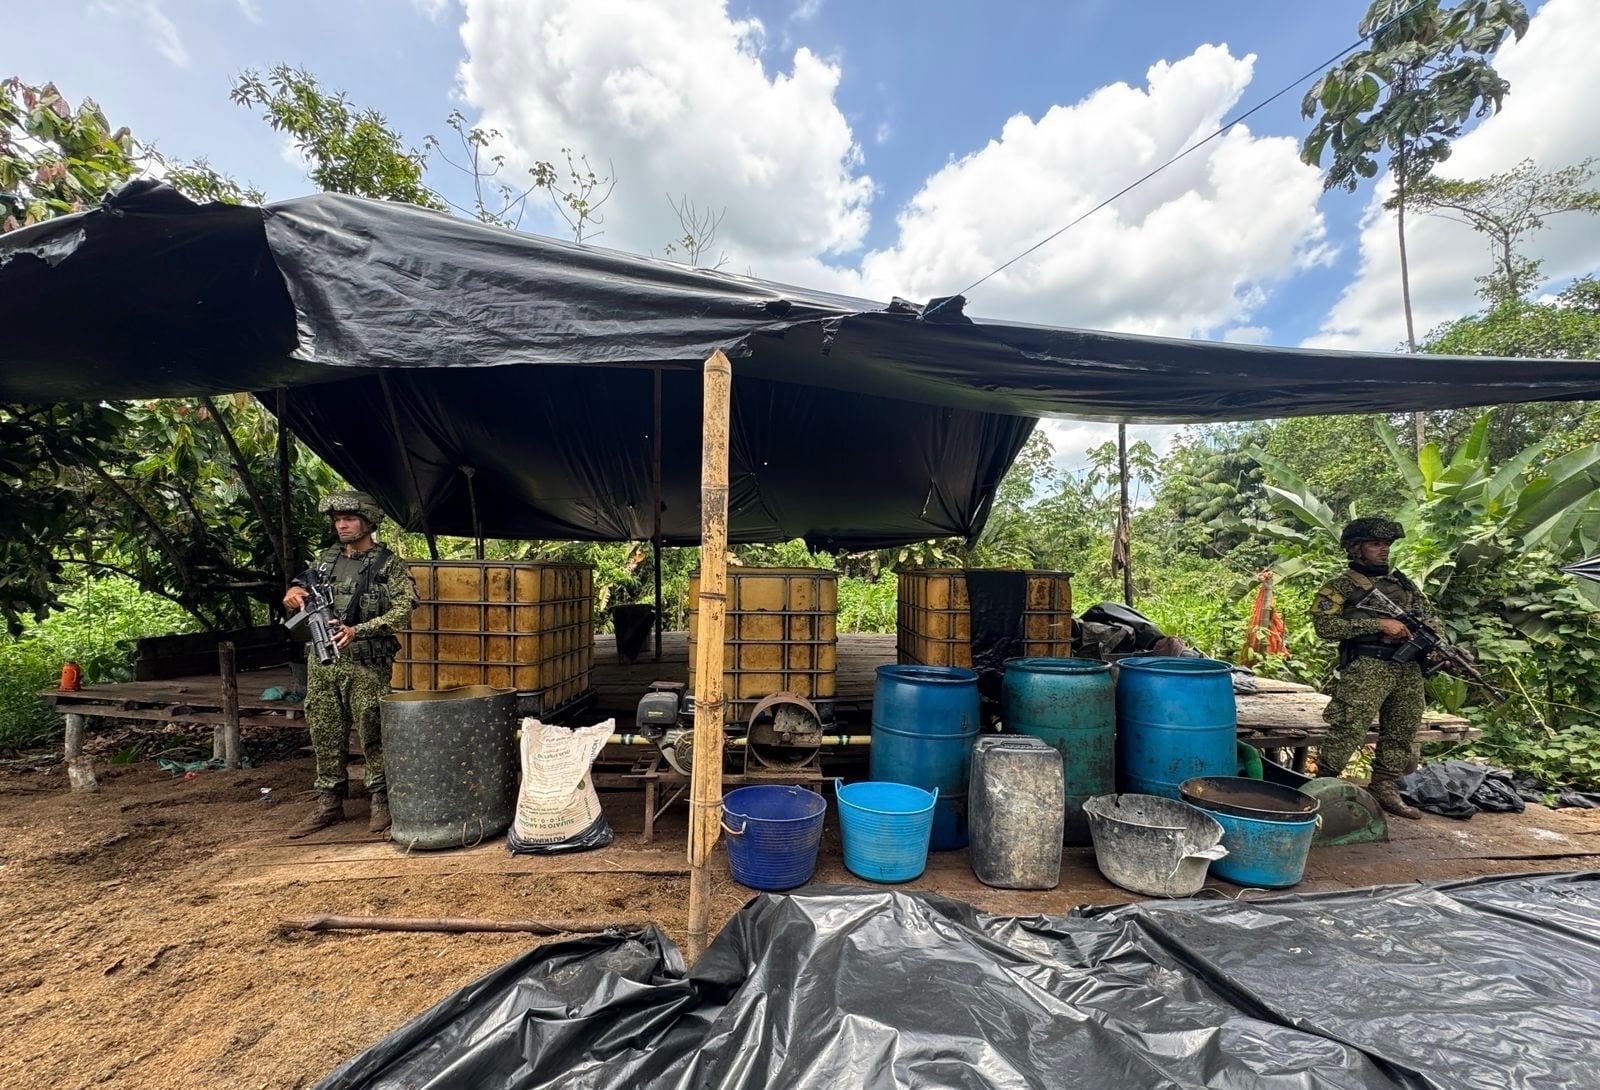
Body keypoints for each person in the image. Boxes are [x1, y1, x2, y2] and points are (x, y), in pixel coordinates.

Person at [283, 490, 418, 839]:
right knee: (325, 732)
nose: (341, 524)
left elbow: (404, 609)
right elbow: (301, 585)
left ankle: (381, 800)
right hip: (323, 663)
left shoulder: (388, 563)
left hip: (366, 665)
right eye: (337, 519)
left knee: (373, 730)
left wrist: (359, 630)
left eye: (349, 518)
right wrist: (293, 593)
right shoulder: (326, 559)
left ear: (368, 521)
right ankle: (328, 802)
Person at [1309, 516, 1436, 820]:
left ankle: (1384, 785)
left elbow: (1430, 616)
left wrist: (1435, 640)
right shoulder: (1341, 586)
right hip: (1367, 666)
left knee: (1403, 727)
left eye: (1387, 544)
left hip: (1407, 667)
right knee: (1348, 726)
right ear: (1356, 548)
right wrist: (1378, 624)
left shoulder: (1402, 584)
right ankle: (1324, 788)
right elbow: (1325, 626)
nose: (1384, 550)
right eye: (1376, 544)